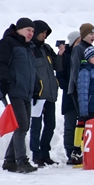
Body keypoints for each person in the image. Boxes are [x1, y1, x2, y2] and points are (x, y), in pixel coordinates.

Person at [0, 18, 38, 173]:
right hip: (14, 90)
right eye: (28, 30)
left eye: (33, 31)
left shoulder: (28, 47)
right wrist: (4, 81)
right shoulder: (8, 43)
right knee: (21, 125)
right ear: (18, 29)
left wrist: (36, 86)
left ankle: (10, 160)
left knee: (23, 125)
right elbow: (1, 63)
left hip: (25, 91)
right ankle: (21, 161)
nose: (31, 33)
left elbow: (31, 70)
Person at [29, 20, 63, 167]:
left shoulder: (47, 48)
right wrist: (34, 90)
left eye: (46, 33)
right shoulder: (29, 49)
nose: (44, 35)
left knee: (50, 125)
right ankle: (36, 155)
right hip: (37, 94)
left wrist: (60, 54)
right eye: (43, 32)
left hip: (50, 94)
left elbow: (57, 66)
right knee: (36, 126)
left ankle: (45, 154)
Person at [68, 23, 94, 164]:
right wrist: (80, 89)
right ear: (83, 35)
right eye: (90, 34)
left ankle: (86, 148)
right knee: (82, 118)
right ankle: (76, 150)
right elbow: (75, 70)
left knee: (88, 119)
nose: (93, 37)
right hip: (79, 89)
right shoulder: (79, 49)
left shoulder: (91, 49)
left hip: (90, 90)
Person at [56, 31, 81, 164]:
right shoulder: (65, 56)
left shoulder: (84, 53)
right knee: (70, 126)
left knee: (82, 126)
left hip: (82, 96)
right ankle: (70, 152)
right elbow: (59, 76)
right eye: (78, 41)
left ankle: (80, 151)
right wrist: (69, 87)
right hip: (69, 95)